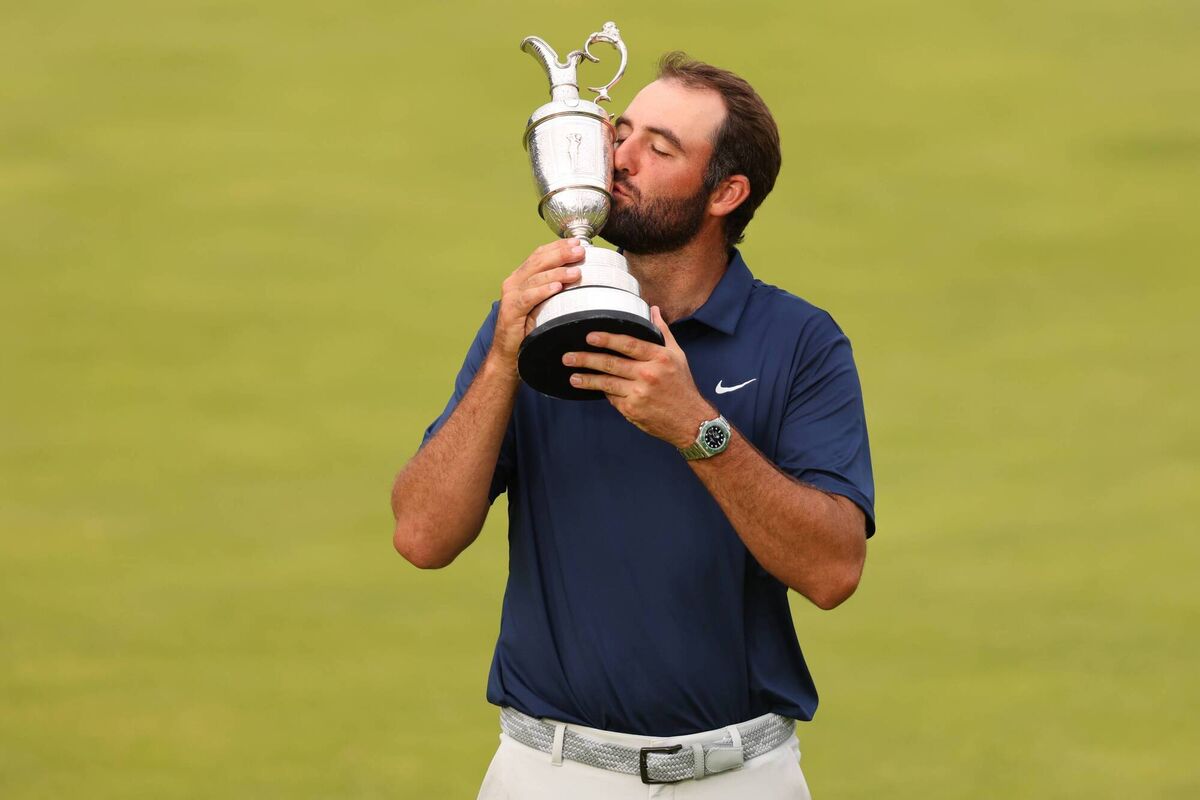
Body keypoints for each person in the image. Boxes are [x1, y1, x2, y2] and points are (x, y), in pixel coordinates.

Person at [391, 52, 875, 799]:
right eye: (623, 133)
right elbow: (422, 537)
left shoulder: (800, 342)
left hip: (739, 776)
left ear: (727, 193)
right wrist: (500, 361)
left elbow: (833, 572)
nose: (619, 159)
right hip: (546, 773)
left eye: (661, 148)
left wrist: (696, 428)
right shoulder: (526, 324)